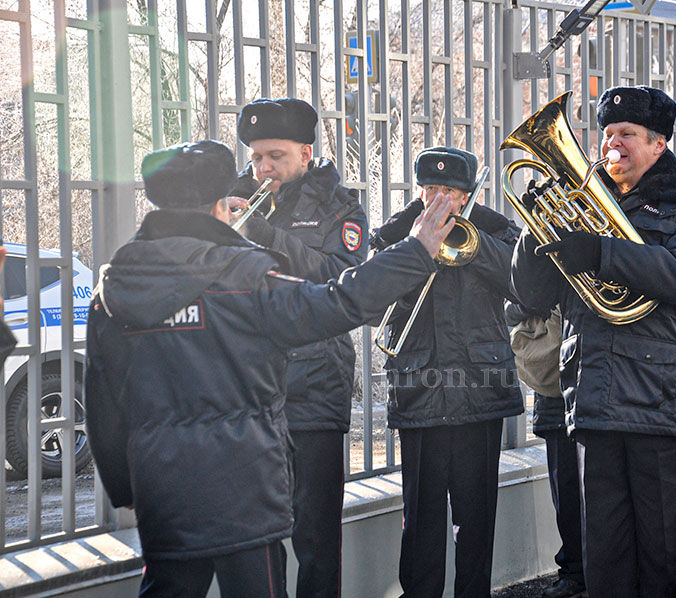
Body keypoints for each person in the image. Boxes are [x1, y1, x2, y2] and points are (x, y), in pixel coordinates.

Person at [84, 140, 454, 598]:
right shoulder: (248, 278)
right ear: (220, 204)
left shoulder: (112, 287)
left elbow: (101, 404)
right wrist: (415, 251)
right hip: (246, 484)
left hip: (162, 488)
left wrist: (126, 487)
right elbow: (340, 302)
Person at [511, 85, 676, 598]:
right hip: (593, 399)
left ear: (658, 144)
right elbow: (532, 295)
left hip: (660, 400)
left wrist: (602, 251)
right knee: (605, 558)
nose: (612, 145)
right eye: (607, 134)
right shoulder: (587, 200)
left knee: (663, 556)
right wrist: (536, 237)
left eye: (627, 134)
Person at [370, 146, 524, 598]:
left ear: (467, 193)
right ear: (419, 192)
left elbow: (527, 290)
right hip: (420, 391)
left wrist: (476, 245)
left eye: (450, 191)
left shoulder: (497, 230)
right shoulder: (397, 233)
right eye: (431, 189)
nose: (440, 199)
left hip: (481, 392)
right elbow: (368, 304)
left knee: (476, 519)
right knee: (420, 520)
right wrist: (411, 248)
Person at [231, 97, 367, 598]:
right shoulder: (232, 199)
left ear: (306, 153)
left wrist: (263, 234)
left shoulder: (340, 207)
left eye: (276, 157)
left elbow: (339, 281)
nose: (263, 169)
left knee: (315, 535)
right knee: (257, 534)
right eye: (256, 157)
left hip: (315, 388)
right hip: (248, 387)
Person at [504, 302, 585, 598]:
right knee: (564, 490)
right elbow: (511, 306)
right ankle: (575, 571)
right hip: (555, 393)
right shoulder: (534, 255)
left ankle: (593, 570)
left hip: (596, 377)